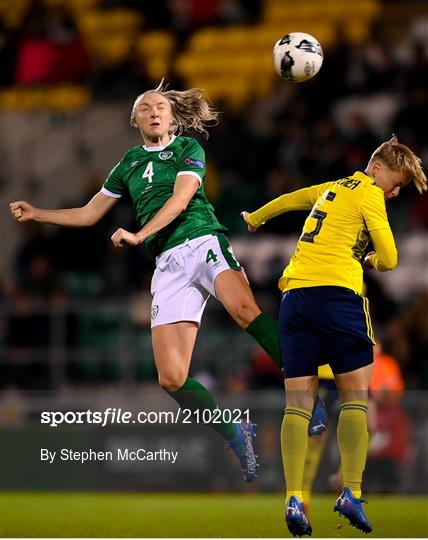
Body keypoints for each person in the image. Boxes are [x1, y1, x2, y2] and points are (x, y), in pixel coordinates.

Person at [10, 82, 326, 483]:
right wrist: (38, 213)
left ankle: (307, 393)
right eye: (145, 108)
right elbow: (90, 214)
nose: (154, 111)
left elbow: (178, 202)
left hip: (202, 240)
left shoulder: (187, 150)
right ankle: (234, 433)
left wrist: (139, 235)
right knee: (171, 378)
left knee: (246, 311)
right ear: (135, 120)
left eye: (161, 106)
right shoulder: (127, 162)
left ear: (173, 116)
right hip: (168, 264)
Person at [242, 135, 426, 534]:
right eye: (395, 182)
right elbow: (392, 258)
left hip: (294, 300)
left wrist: (256, 217)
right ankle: (351, 491)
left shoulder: (330, 188)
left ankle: (293, 497)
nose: (395, 192)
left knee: (297, 406)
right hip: (338, 298)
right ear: (376, 169)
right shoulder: (369, 194)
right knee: (357, 399)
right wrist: (373, 259)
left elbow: (290, 199)